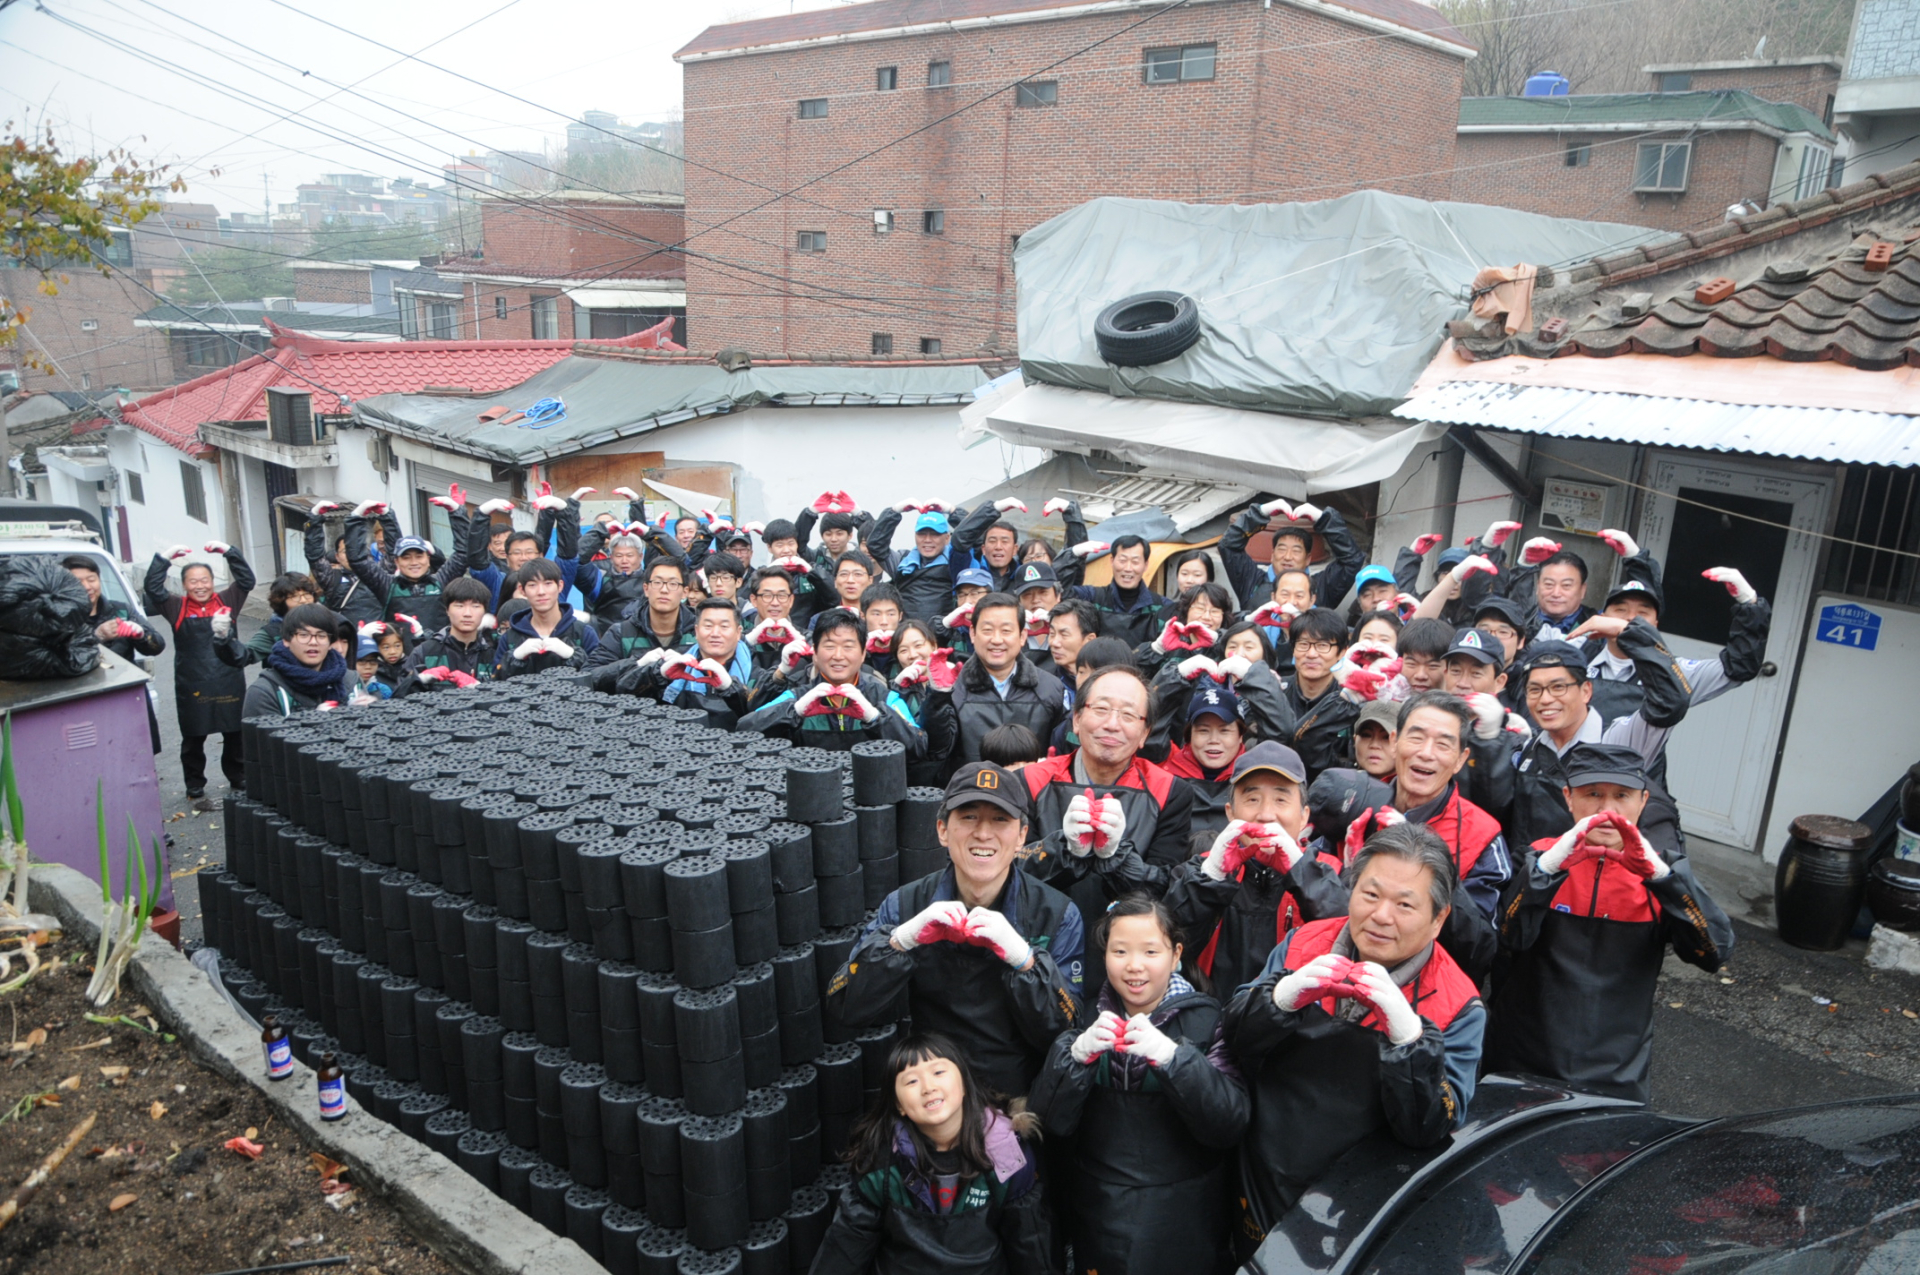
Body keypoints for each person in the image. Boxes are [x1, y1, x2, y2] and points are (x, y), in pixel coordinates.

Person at [1224, 823, 1484, 1257]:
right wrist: (1281, 997)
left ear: (1439, 918)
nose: (1381, 915)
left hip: (1362, 1208)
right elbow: (1235, 1040)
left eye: (1405, 904)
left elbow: (1431, 1127)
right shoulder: (1302, 944)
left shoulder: (1458, 1004)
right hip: (1265, 1174)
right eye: (1370, 894)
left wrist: (1409, 1040)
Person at [1485, 743, 1733, 1102]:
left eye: (1622, 795)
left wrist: (1665, 879)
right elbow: (1508, 937)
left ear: (1643, 801)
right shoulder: (1537, 857)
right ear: (1568, 798)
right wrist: (1544, 871)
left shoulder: (1663, 874)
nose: (1607, 810)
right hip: (1521, 1055)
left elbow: (1714, 952)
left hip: (1615, 1071)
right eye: (1593, 794)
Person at [828, 762, 1084, 1097]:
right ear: (942, 830)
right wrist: (900, 942)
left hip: (1018, 1098)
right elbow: (845, 1007)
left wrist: (1026, 962)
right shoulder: (904, 905)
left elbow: (1067, 1033)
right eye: (969, 816)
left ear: (1022, 835)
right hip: (931, 1094)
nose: (983, 833)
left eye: (1000, 819)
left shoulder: (1058, 914)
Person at [1029, 896, 1249, 1275]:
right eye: (1120, 951)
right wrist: (1074, 1057)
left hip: (1185, 1212)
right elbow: (1050, 1122)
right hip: (1100, 1208)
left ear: (1175, 954)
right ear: (1104, 955)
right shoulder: (1086, 1020)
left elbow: (1228, 1124)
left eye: (1150, 951)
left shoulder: (1209, 1020)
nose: (1134, 965)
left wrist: (1173, 1060)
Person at [810, 1033, 1051, 1275]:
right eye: (911, 1081)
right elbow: (846, 1246)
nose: (928, 1088)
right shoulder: (881, 1161)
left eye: (938, 1072)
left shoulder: (1007, 1153)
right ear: (899, 1105)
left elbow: (1029, 1243)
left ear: (964, 1084)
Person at [1506, 627, 1690, 855]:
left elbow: (1672, 702)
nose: (1545, 699)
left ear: (1586, 691)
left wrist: (1629, 632)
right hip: (1533, 872)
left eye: (1558, 687)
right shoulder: (1528, 747)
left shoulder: (1619, 738)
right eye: (1534, 689)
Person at [145, 540, 254, 807]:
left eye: (204, 580)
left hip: (228, 679)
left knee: (234, 733)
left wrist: (229, 552)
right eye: (193, 581)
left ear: (212, 581)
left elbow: (247, 580)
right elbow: (152, 588)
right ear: (184, 585)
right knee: (193, 737)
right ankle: (194, 784)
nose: (200, 586)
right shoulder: (175, 607)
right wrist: (163, 558)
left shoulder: (228, 600)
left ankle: (238, 777)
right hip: (192, 682)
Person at [740, 608, 924, 754]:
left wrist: (875, 718)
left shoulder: (883, 696)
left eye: (848, 647)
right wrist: (794, 712)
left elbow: (919, 744)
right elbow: (745, 729)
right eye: (829, 646)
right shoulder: (797, 696)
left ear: (863, 654)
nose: (838, 655)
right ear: (815, 653)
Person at [933, 592, 1069, 774]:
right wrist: (937, 696)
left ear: (1022, 636)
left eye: (1006, 631)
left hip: (1032, 788)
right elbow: (936, 751)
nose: (996, 640)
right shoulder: (953, 687)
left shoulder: (1050, 688)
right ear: (973, 633)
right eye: (987, 630)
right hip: (970, 789)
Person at [593, 597, 752, 728]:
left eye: (724, 626)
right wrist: (656, 674)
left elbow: (758, 716)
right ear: (696, 631)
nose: (715, 633)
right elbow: (625, 694)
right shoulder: (677, 664)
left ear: (738, 632)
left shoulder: (756, 671)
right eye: (708, 626)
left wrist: (731, 688)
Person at [66, 555, 166, 751]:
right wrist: (96, 637)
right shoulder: (61, 618)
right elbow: (61, 658)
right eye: (78, 581)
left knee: (138, 753)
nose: (87, 587)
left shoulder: (121, 610)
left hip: (127, 697)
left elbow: (157, 646)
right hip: (85, 703)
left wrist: (141, 635)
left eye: (91, 579)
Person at [1220, 497, 1364, 616]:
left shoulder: (1322, 586)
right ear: (1272, 555)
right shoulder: (1251, 581)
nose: (1288, 557)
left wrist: (1325, 519)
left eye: (1296, 551)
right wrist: (1260, 513)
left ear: (1308, 559)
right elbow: (1228, 546)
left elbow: (1352, 560)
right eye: (1282, 549)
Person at [1277, 608, 1358, 780]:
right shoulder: (1277, 692)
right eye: (1303, 644)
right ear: (1293, 649)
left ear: (1342, 652)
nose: (1311, 654)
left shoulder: (1350, 699)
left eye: (1323, 645)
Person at [493, 557, 598, 678]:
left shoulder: (583, 632)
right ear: (522, 590)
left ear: (560, 586)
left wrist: (574, 655)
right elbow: (495, 680)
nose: (541, 592)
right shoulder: (510, 637)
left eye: (548, 584)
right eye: (532, 585)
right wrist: (514, 658)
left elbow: (598, 677)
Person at [583, 556, 696, 668]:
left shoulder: (698, 631)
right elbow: (590, 673)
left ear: (685, 592)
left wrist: (689, 667)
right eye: (657, 582)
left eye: (673, 584)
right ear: (646, 589)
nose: (664, 590)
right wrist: (636, 664)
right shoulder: (621, 632)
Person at [240, 603, 349, 718]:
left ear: (330, 642)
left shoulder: (350, 682)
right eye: (304, 635)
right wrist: (318, 719)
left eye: (321, 636)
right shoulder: (264, 692)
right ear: (286, 640)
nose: (313, 642)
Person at [394, 575, 497, 695]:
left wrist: (479, 688)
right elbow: (397, 697)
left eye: (475, 606)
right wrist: (418, 680)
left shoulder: (492, 652)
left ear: (484, 611)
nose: (467, 613)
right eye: (459, 606)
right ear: (447, 610)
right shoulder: (425, 652)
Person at [890, 619, 959, 786]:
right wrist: (897, 689)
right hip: (914, 779)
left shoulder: (957, 680)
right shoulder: (896, 690)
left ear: (934, 646)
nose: (912, 654)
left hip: (954, 774)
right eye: (903, 650)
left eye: (918, 645)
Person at [1064, 535, 1165, 648]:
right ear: (1112, 561)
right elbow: (1060, 592)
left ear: (1146, 565)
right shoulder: (1093, 597)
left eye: (1135, 562)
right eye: (1122, 560)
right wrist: (1072, 554)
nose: (1128, 568)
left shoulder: (1161, 606)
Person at [304, 501, 395, 625]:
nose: (351, 556)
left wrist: (387, 516)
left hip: (380, 634)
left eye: (355, 551)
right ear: (337, 557)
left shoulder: (379, 574)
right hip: (346, 635)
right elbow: (315, 558)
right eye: (345, 551)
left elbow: (394, 552)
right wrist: (314, 519)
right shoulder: (332, 578)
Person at [866, 504, 960, 623]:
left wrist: (952, 511)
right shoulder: (903, 561)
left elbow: (972, 539)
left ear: (947, 538)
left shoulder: (957, 562)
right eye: (922, 534)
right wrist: (894, 511)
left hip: (943, 633)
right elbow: (875, 546)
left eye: (935, 534)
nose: (927, 540)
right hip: (907, 632)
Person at [241, 572, 319, 664]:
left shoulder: (326, 620)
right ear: (281, 601)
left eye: (307, 594)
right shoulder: (274, 632)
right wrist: (227, 639)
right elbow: (243, 655)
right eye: (295, 596)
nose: (303, 600)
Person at [953, 498, 1027, 593]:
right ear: (983, 549)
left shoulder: (1024, 577)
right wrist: (993, 508)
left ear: (1015, 549)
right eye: (992, 541)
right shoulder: (970, 570)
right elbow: (960, 539)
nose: (998, 547)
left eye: (1005, 541)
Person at [1044, 599, 1101, 684]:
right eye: (1052, 633)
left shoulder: (1107, 680)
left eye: (1064, 634)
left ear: (1090, 640)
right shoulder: (1043, 680)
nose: (1054, 643)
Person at [858, 582, 906, 680]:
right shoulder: (855, 646)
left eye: (891, 614)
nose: (884, 622)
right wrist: (864, 651)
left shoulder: (909, 649)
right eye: (876, 614)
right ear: (862, 616)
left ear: (900, 616)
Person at [1352, 699, 1397, 780]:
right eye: (1366, 735)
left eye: (1386, 737)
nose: (1374, 745)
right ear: (1355, 740)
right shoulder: (1339, 782)